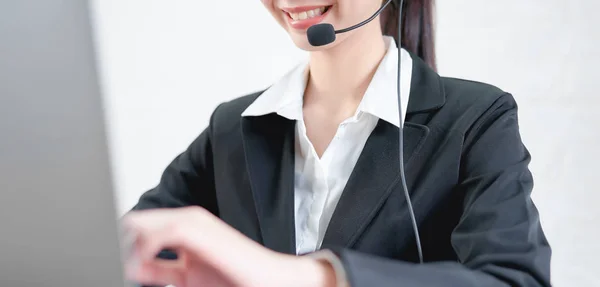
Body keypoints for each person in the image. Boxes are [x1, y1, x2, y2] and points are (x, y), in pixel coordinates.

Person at [122, 0, 552, 286]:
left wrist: (307, 276)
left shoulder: (474, 119)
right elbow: (119, 253)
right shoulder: (233, 128)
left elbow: (513, 280)